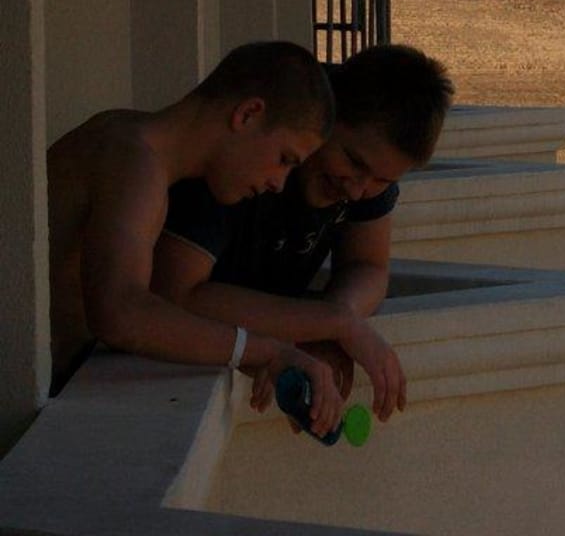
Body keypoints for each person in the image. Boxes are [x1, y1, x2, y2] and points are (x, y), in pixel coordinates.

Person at [47, 41, 345, 434]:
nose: (279, 182)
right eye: (285, 159)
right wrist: (265, 350)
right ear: (248, 114)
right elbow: (120, 312)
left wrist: (254, 352)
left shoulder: (130, 143)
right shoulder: (135, 161)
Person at [152, 44, 454, 424]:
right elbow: (174, 294)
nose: (357, 190)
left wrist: (333, 322)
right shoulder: (247, 157)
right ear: (325, 114)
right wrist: (330, 323)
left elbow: (368, 265)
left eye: (382, 180)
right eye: (354, 162)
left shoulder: (363, 177)